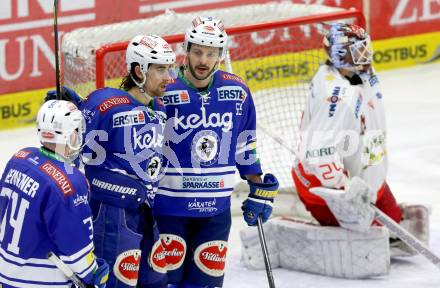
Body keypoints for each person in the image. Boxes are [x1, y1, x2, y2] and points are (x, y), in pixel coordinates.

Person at [154, 16, 279, 287]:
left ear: (221, 55)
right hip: (169, 209)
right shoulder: (164, 89)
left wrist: (258, 187)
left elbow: (245, 146)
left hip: (215, 212)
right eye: (198, 51)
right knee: (167, 283)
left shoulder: (238, 91)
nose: (203, 60)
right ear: (185, 50)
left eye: (211, 53)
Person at [47, 35, 177, 287]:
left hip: (146, 212)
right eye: (161, 69)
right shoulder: (104, 104)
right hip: (112, 214)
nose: (169, 77)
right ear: (139, 70)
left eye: (169, 68)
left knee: (156, 282)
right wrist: (68, 116)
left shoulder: (159, 109)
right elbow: (70, 154)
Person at [291, 22, 429, 249]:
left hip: (367, 176)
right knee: (372, 240)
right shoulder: (336, 97)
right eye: (357, 51)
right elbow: (317, 152)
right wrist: (344, 188)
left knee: (393, 224)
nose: (365, 55)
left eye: (365, 48)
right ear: (339, 55)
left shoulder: (360, 75)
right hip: (329, 191)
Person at [0, 100, 109, 287]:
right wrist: (93, 272)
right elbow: (76, 248)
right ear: (69, 134)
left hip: (6, 273)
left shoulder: (20, 157)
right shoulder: (72, 182)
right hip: (41, 281)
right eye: (77, 130)